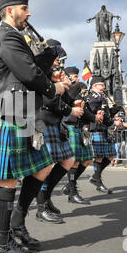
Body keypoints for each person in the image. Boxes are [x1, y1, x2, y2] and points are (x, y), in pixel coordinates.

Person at [0, 0, 62, 253]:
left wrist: (48, 57)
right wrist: (54, 87)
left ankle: (16, 224)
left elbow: (28, 68)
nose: (29, 13)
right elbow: (27, 73)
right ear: (10, 10)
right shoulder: (7, 35)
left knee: (43, 168)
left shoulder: (15, 36)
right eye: (24, 8)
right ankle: (2, 244)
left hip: (23, 112)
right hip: (11, 113)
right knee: (8, 179)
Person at [35, 64, 81, 223]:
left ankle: (46, 197)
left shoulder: (58, 80)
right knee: (45, 166)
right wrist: (70, 111)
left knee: (68, 160)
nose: (60, 70)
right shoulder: (41, 76)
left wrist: (70, 87)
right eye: (57, 66)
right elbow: (49, 100)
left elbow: (66, 101)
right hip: (42, 123)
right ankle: (41, 207)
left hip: (55, 124)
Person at [61, 67, 97, 205]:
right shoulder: (66, 91)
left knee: (87, 159)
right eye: (74, 76)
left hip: (81, 129)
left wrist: (94, 117)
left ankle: (70, 185)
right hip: (69, 127)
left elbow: (85, 111)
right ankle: (73, 193)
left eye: (77, 76)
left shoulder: (80, 92)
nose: (77, 78)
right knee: (74, 161)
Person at [86, 76, 122, 194]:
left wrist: (114, 111)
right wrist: (113, 122)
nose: (104, 87)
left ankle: (96, 177)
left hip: (104, 129)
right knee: (99, 157)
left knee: (111, 156)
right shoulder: (92, 97)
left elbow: (105, 113)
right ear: (94, 86)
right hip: (96, 128)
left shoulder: (102, 97)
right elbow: (93, 111)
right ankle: (97, 180)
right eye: (101, 85)